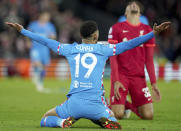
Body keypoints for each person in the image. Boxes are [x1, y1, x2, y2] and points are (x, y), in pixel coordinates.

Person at [6, 20, 170, 129]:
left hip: (74, 103)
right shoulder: (104, 49)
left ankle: (63, 122)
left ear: (81, 36)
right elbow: (130, 44)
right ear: (96, 36)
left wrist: (23, 31)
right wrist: (153, 33)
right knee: (111, 117)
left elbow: (46, 41)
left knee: (45, 119)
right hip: (96, 104)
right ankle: (107, 120)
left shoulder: (69, 49)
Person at [108, 0, 161, 120]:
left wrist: (153, 83)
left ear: (140, 12)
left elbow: (149, 60)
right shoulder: (116, 28)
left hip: (139, 77)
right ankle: (114, 103)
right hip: (121, 76)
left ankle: (128, 105)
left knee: (148, 116)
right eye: (130, 4)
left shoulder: (148, 30)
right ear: (125, 12)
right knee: (117, 115)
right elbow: (113, 56)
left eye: (136, 4)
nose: (133, 4)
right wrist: (115, 80)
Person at [27, 11, 56, 92]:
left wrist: (52, 37)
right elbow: (27, 34)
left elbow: (53, 36)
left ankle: (40, 82)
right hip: (35, 48)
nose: (46, 18)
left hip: (45, 49)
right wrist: (28, 42)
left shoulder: (50, 26)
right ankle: (37, 80)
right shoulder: (33, 24)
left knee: (44, 67)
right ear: (41, 16)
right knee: (37, 64)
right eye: (45, 16)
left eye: (48, 17)